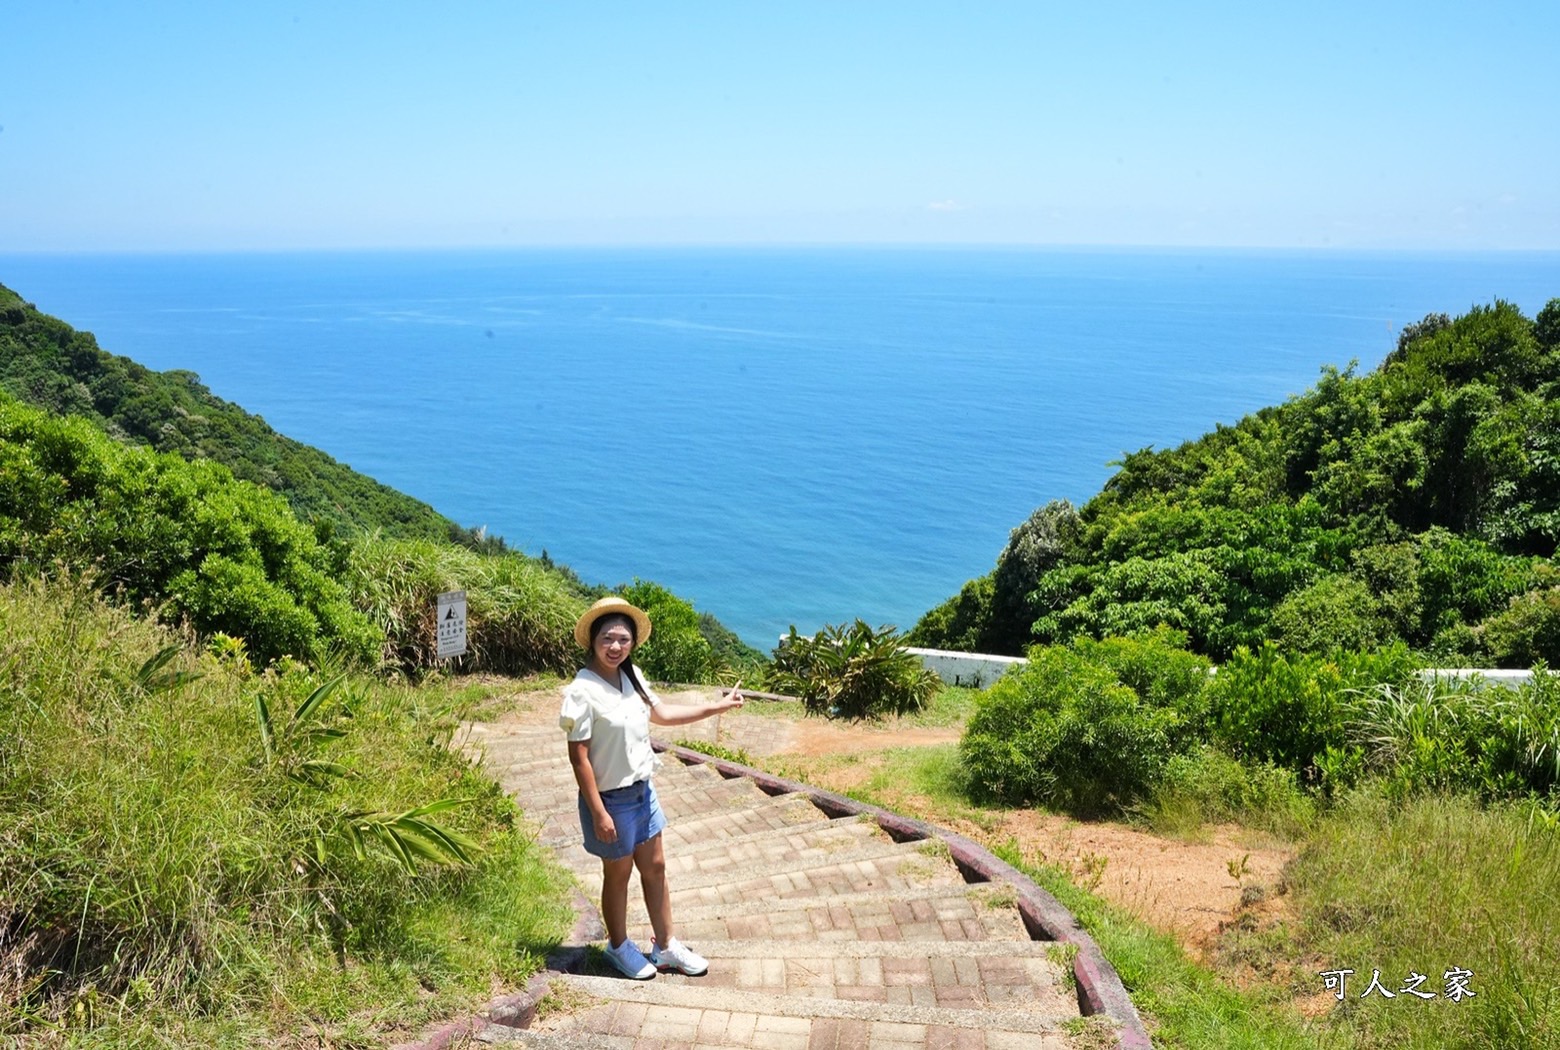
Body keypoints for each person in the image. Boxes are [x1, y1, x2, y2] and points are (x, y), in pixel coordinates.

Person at [559, 596, 744, 980]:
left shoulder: (633, 676)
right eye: (607, 638)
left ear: (633, 644)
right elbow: (579, 758)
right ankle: (618, 947)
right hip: (609, 800)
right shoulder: (582, 691)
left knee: (656, 868)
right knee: (618, 875)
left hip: (643, 791)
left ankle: (665, 946)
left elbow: (663, 714)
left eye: (623, 640)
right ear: (592, 640)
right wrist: (598, 812)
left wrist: (718, 707)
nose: (615, 647)